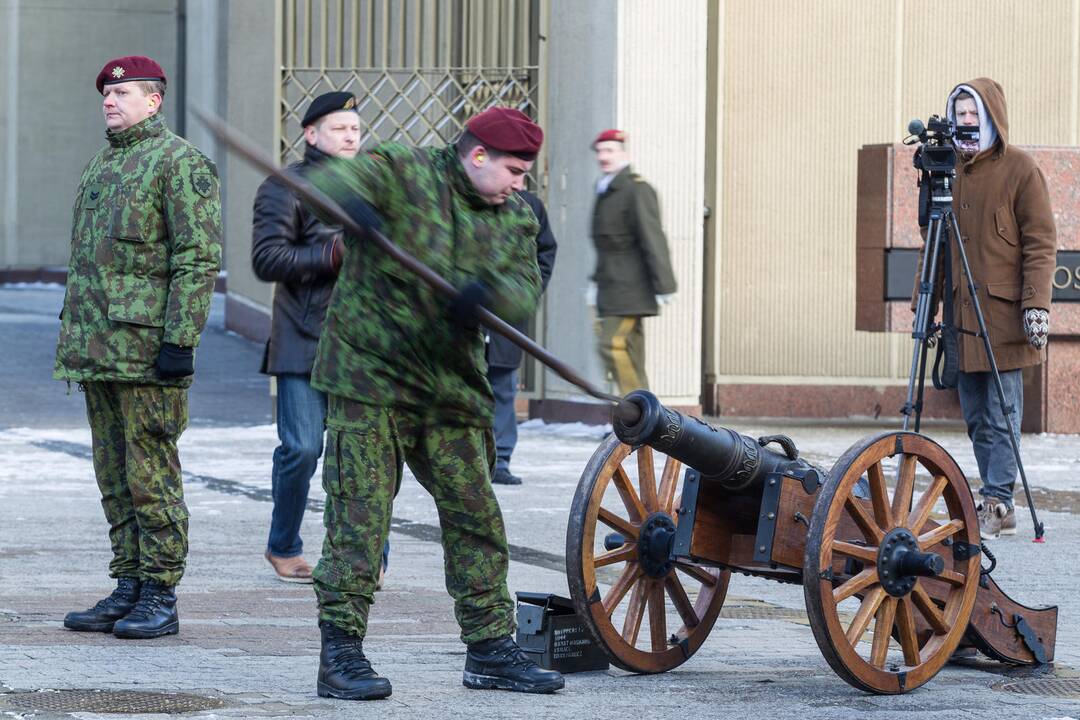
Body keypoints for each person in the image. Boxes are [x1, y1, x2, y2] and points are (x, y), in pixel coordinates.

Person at [302, 107, 564, 700]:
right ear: (478, 157)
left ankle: (491, 648)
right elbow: (327, 183)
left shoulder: (515, 217)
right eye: (515, 170)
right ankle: (341, 650)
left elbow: (524, 286)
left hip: (448, 385)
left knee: (476, 515)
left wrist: (488, 295)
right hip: (370, 376)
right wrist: (352, 208)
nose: (521, 183)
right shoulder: (401, 170)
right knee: (359, 517)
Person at [55, 55, 221, 638]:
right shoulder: (103, 163)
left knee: (152, 472)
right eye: (106, 92)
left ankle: (161, 591)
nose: (110, 100)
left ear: (154, 101)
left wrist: (180, 340)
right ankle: (127, 582)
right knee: (114, 473)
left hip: (148, 351)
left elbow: (196, 258)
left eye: (123, 93)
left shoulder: (180, 163)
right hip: (98, 350)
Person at [252, 91, 388, 585]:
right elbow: (267, 259)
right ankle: (283, 543)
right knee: (303, 449)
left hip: (367, 345)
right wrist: (333, 254)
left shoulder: (378, 184)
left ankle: (365, 552)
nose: (351, 136)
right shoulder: (285, 186)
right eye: (339, 128)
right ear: (311, 135)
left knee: (366, 453)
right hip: (305, 339)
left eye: (355, 128)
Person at [941, 78, 1055, 539]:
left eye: (974, 114)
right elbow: (935, 239)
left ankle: (996, 498)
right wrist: (922, 304)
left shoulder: (1021, 169)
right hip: (962, 316)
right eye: (960, 114)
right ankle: (999, 501)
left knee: (1001, 413)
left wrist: (1037, 306)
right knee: (974, 413)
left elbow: (1041, 242)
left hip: (1005, 316)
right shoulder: (948, 168)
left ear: (990, 118)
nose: (966, 122)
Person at [588, 129, 677, 395]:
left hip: (630, 287)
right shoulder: (607, 189)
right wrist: (595, 282)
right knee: (631, 353)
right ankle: (649, 423)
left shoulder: (636, 189)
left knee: (611, 345)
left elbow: (653, 237)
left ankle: (634, 413)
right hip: (611, 285)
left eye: (610, 150)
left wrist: (665, 285)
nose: (604, 157)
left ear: (624, 153)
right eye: (600, 151)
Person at [485, 190, 557, 485]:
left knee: (502, 389)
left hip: (505, 317)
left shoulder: (531, 206)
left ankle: (500, 459)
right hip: (465, 317)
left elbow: (545, 254)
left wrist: (523, 295)